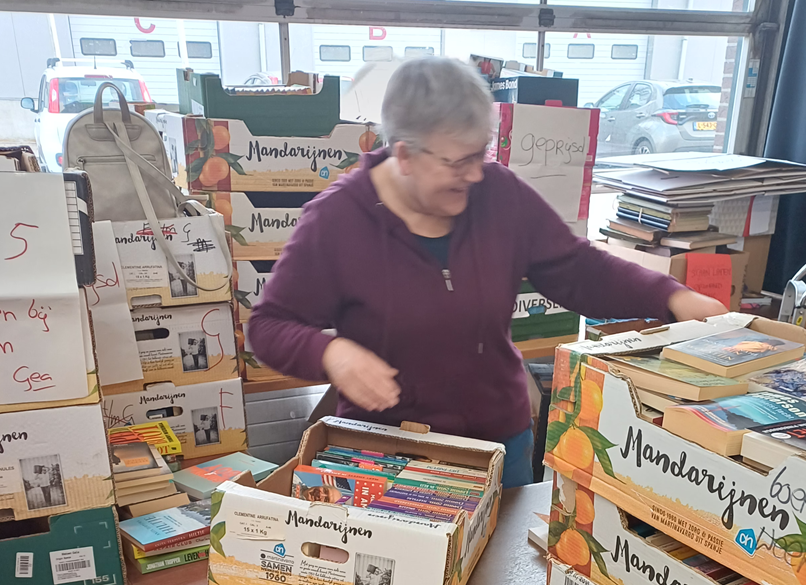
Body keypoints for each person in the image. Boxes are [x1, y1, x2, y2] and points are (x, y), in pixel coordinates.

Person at [248, 57, 727, 489]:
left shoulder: (500, 193)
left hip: (499, 447)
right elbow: (269, 326)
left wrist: (671, 296)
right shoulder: (336, 220)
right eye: (458, 161)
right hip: (387, 457)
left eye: (481, 153)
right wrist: (332, 353)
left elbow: (578, 268)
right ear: (405, 155)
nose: (476, 174)